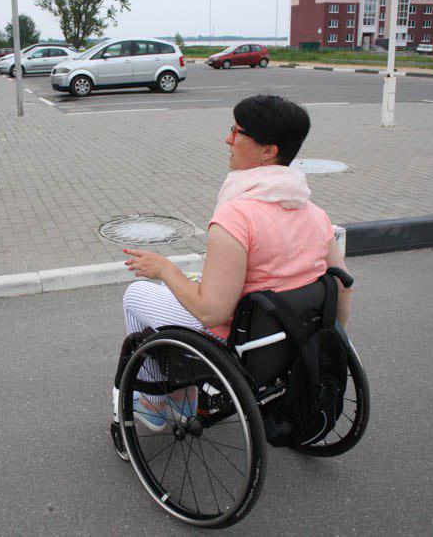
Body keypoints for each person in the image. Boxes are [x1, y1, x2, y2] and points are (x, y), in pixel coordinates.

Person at [121, 95, 353, 430]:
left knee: (136, 294)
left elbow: (211, 313)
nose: (227, 139)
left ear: (267, 151)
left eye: (236, 132)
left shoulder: (236, 217)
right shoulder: (316, 215)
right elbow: (343, 287)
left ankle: (157, 401)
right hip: (293, 336)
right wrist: (328, 337)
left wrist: (164, 269)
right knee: (182, 286)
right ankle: (177, 397)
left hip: (238, 341)